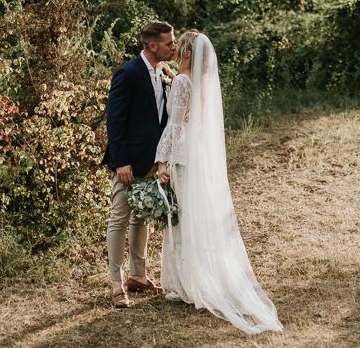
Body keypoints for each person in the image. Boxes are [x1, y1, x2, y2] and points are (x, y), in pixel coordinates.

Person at [155, 31, 283, 334]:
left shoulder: (184, 82)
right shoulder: (198, 82)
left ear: (187, 53)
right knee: (194, 216)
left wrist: (162, 161)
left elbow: (174, 125)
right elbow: (186, 101)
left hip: (182, 157)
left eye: (179, 48)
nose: (174, 51)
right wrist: (173, 77)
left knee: (182, 218)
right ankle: (200, 278)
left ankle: (188, 284)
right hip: (196, 155)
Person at [101, 20, 176, 308]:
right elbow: (115, 119)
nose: (173, 46)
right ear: (152, 45)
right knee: (119, 218)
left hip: (153, 160)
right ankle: (116, 283)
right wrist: (121, 161)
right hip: (129, 162)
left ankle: (139, 275)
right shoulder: (128, 73)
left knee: (141, 217)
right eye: (169, 43)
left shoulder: (163, 72)